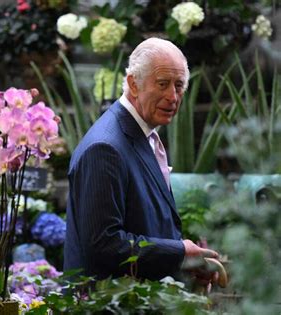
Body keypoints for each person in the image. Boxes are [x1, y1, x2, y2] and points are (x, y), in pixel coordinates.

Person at [64, 37, 219, 285]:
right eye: (162, 84)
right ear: (133, 84)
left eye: (179, 86)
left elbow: (147, 227)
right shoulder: (105, 148)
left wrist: (182, 265)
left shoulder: (142, 134)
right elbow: (103, 245)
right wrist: (179, 253)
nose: (173, 96)